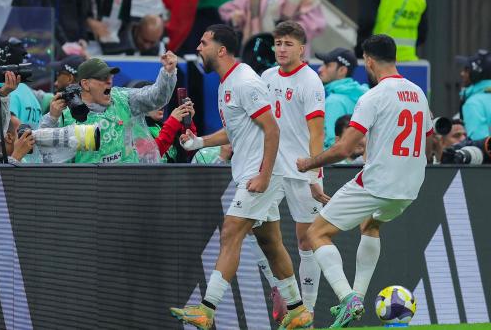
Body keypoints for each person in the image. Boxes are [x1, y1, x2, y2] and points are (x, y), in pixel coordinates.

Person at [170, 24, 312, 330]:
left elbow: (273, 129)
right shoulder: (228, 83)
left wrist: (263, 175)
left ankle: (206, 310)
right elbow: (237, 130)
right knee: (270, 242)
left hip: (262, 173)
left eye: (204, 42)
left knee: (231, 231)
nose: (198, 47)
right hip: (255, 171)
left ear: (220, 50)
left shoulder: (245, 82)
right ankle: (298, 309)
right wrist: (200, 142)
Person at [296, 34, 433, 328]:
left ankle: (348, 298)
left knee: (315, 234)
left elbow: (344, 149)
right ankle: (356, 299)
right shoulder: (419, 93)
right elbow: (429, 141)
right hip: (410, 187)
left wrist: (309, 162)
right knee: (370, 224)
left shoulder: (373, 96)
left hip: (377, 183)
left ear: (368, 61)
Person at [259, 20, 328, 316]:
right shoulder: (266, 76)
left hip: (302, 170)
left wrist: (314, 174)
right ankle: (281, 289)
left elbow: (317, 133)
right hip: (271, 169)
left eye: (288, 44)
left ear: (301, 48)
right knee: (253, 229)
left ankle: (306, 312)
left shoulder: (310, 81)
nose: (282, 49)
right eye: (278, 43)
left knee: (307, 240)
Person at [39, 52, 178, 163]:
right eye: (102, 77)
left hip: (129, 185)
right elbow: (45, 155)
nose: (109, 81)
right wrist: (52, 118)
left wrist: (168, 74)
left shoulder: (123, 99)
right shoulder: (65, 114)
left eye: (110, 76)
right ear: (86, 84)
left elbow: (156, 98)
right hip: (92, 190)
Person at [316, 47, 368, 149]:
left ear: (342, 70)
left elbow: (332, 145)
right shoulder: (364, 96)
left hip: (338, 163)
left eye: (327, 65)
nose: (320, 69)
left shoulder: (334, 102)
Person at [457, 50, 491, 140]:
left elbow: (479, 145)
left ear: (475, 74)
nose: (462, 73)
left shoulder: (473, 104)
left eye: (466, 70)